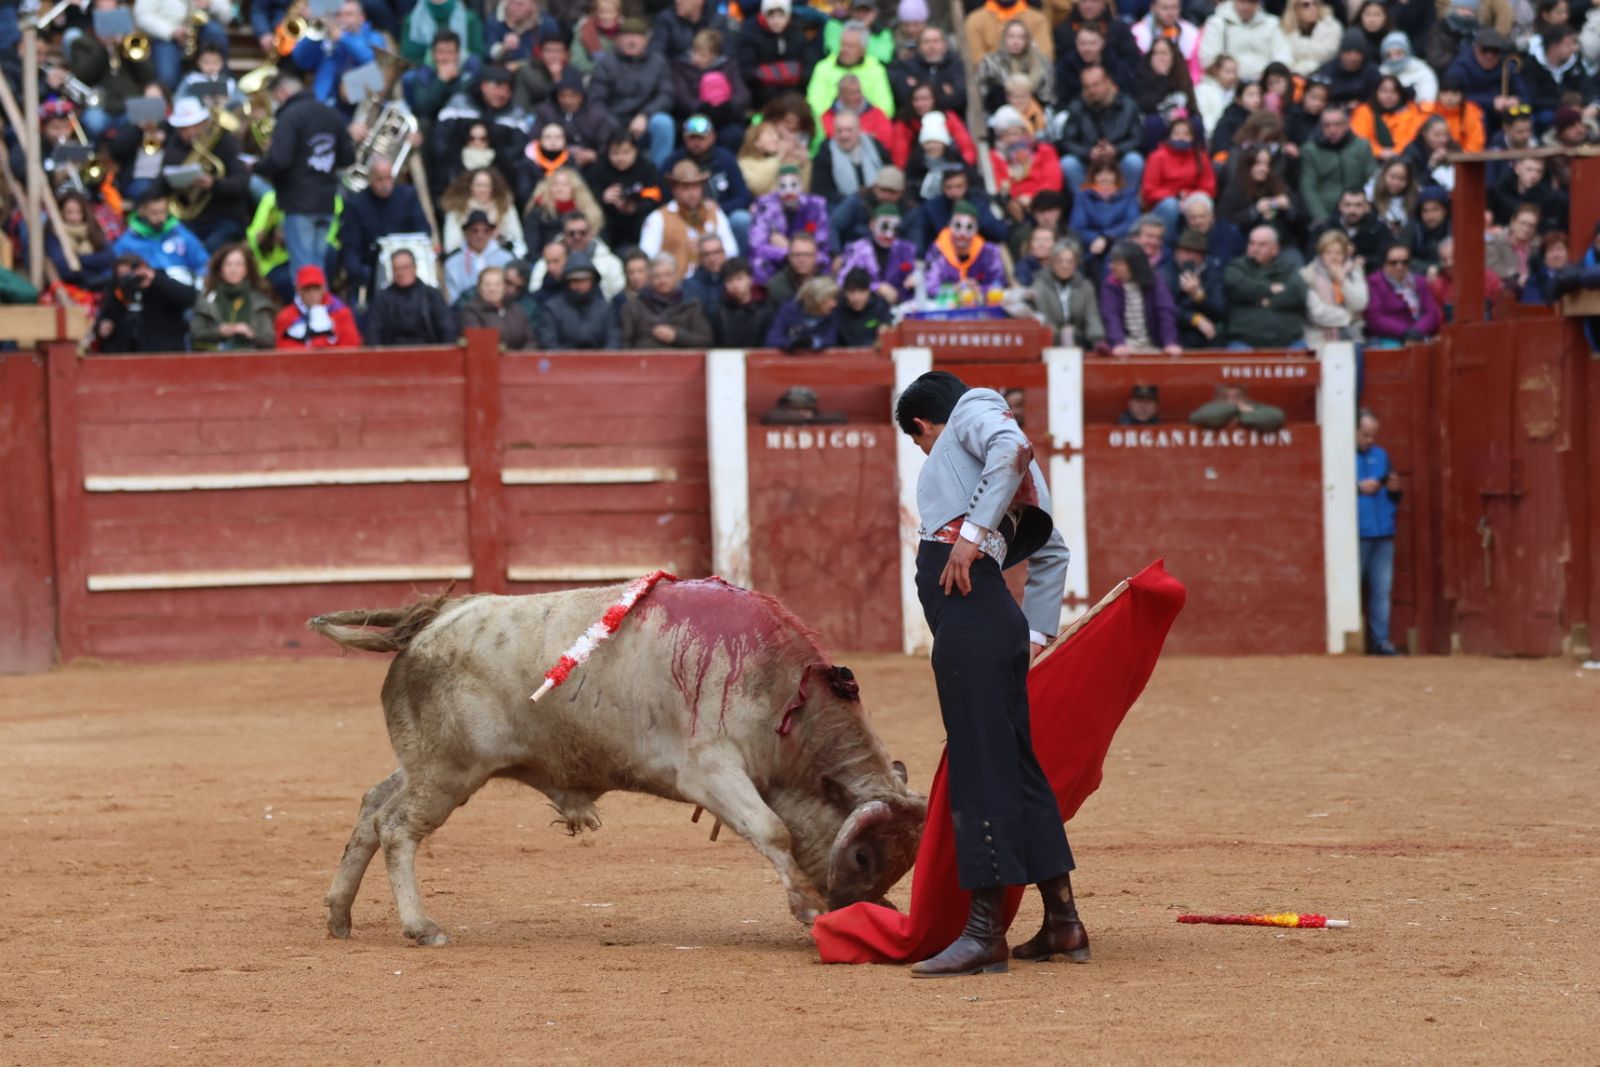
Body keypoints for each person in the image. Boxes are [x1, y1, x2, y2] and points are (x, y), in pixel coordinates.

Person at [892, 370, 1081, 978]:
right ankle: (1061, 920)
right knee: (1020, 769)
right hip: (993, 623)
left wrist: (969, 538)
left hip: (972, 621)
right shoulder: (1014, 476)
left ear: (922, 426)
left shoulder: (976, 411)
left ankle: (983, 933)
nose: (927, 453)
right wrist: (1028, 634)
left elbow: (1010, 447)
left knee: (981, 771)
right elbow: (1053, 551)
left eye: (919, 443)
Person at [253, 71, 356, 281]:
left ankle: (309, 313)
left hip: (298, 203)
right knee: (318, 272)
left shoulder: (289, 116)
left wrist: (257, 166)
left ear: (282, 93)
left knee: (303, 273)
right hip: (325, 201)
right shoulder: (331, 114)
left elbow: (280, 160)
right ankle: (319, 311)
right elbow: (348, 157)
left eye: (274, 99)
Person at [587, 18, 676, 168]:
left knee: (664, 123)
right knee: (597, 121)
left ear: (646, 40)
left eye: (637, 36)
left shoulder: (658, 62)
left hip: (645, 123)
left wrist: (645, 115)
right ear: (618, 40)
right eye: (626, 36)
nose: (631, 41)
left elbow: (666, 95)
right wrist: (616, 127)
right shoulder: (606, 63)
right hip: (613, 123)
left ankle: (658, 175)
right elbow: (596, 100)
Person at [340, 158, 433, 300]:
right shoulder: (356, 204)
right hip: (371, 267)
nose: (385, 184)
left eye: (388, 178)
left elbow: (424, 230)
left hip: (407, 262)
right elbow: (351, 246)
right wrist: (357, 277)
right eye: (379, 179)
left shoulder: (407, 196)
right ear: (370, 178)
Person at [639, 159, 739, 283]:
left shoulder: (714, 211)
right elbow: (648, 258)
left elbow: (731, 251)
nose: (692, 193)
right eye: (685, 188)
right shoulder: (658, 218)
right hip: (676, 289)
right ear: (674, 190)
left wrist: (708, 251)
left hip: (713, 283)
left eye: (695, 187)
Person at [1057, 63, 1144, 193]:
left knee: (1135, 161)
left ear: (1108, 82)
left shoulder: (1128, 105)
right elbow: (1067, 141)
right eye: (1087, 87)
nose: (1092, 91)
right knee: (1067, 163)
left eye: (1096, 85)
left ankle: (1125, 200)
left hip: (1118, 162)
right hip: (1088, 163)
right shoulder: (1076, 107)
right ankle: (1085, 201)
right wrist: (1088, 152)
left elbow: (1138, 138)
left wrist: (1116, 150)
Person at [1356, 409, 1401, 656]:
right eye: (1365, 435)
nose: (1369, 441)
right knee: (1354, 588)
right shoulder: (1342, 457)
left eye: (1372, 435)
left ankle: (1380, 641)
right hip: (1356, 534)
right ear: (1353, 432)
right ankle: (1353, 641)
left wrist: (1395, 490)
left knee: (1381, 590)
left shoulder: (1382, 456)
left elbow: (1393, 494)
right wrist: (1357, 488)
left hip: (1383, 532)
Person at [1223, 225, 1309, 349]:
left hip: (1288, 342)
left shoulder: (1289, 268)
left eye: (1261, 245)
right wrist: (1268, 288)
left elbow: (1297, 293)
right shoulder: (1236, 266)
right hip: (1245, 342)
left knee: (1303, 354)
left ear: (1275, 249)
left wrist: (1270, 302)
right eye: (1252, 243)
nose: (1255, 249)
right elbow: (1236, 286)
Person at [112, 183, 209, 289]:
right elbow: (121, 277)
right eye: (154, 213)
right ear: (141, 211)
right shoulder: (126, 243)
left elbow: (202, 262)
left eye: (163, 212)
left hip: (186, 290)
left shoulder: (179, 232)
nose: (161, 218)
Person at [95, 253, 198, 353]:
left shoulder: (159, 285)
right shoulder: (117, 292)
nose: (128, 280)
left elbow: (189, 297)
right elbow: (106, 316)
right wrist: (104, 325)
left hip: (163, 353)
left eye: (130, 274)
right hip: (128, 355)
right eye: (122, 277)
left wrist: (155, 279)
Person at [749, 165, 832, 286]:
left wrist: (791, 248)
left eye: (794, 185)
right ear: (776, 188)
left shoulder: (815, 206)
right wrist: (787, 253)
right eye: (783, 186)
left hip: (808, 255)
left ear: (802, 185)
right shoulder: (765, 205)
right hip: (776, 257)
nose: (789, 192)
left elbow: (822, 242)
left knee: (824, 260)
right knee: (758, 263)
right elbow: (756, 246)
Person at [190, 242, 278, 351]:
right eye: (228, 264)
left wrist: (250, 333)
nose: (233, 269)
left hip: (252, 361)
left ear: (246, 269)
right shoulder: (207, 299)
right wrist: (218, 332)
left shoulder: (260, 301)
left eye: (239, 264)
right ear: (220, 269)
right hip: (214, 361)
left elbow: (270, 340)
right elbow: (195, 335)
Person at [585, 131, 663, 251]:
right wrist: (602, 196)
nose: (620, 158)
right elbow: (586, 195)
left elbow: (656, 196)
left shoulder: (647, 168)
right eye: (615, 153)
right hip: (608, 219)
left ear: (635, 151)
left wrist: (635, 207)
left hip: (638, 219)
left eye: (626, 153)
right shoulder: (599, 168)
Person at [1099, 241, 1181, 356]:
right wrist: (1119, 343)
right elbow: (1111, 316)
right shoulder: (1110, 285)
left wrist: (1169, 342)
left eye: (1117, 263)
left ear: (1132, 265)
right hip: (1125, 345)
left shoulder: (1155, 282)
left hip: (1154, 344)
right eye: (1111, 262)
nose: (1111, 267)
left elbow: (1165, 312)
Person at [807, 23, 897, 127]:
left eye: (850, 46)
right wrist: (837, 126)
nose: (844, 50)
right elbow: (814, 104)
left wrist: (856, 129)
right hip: (828, 129)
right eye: (843, 44)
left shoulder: (875, 70)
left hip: (866, 131)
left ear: (863, 50)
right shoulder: (823, 67)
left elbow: (885, 109)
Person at [1298, 107, 1378, 223]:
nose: (1332, 129)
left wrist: (1367, 208)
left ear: (1347, 125)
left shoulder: (1362, 146)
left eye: (1337, 124)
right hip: (1326, 211)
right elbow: (1308, 187)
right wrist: (1320, 217)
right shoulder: (1310, 150)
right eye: (1327, 125)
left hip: (1358, 209)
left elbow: (1372, 178)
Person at [618, 253, 714, 348]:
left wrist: (676, 336)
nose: (662, 280)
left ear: (676, 275)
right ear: (650, 278)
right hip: (642, 360)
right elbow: (624, 343)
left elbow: (706, 340)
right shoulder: (633, 307)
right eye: (657, 276)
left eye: (667, 275)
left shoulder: (691, 305)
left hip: (681, 360)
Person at [737, 0, 818, 111]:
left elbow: (809, 65)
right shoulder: (751, 37)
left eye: (781, 16)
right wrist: (786, 72)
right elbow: (747, 72)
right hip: (763, 96)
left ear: (788, 16)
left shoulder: (797, 35)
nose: (776, 21)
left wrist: (795, 76)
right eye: (771, 16)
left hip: (794, 93)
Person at [368, 249, 458, 345]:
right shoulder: (382, 298)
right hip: (391, 353)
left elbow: (447, 327)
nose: (401, 273)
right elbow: (373, 331)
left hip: (427, 352)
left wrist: (445, 355)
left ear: (414, 268)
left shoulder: (431, 295)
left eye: (405, 267)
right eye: (396, 269)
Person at [1031, 238, 1105, 347]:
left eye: (1070, 262)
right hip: (1049, 342)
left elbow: (1092, 317)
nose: (1064, 265)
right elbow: (1043, 318)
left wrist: (1098, 341)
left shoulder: (1085, 286)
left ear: (1076, 264)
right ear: (1052, 263)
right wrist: (1062, 336)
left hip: (1079, 341)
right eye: (1059, 261)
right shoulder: (1040, 286)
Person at [442, 167, 528, 259]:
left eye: (486, 185)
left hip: (499, 257)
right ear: (470, 187)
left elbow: (517, 240)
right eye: (478, 185)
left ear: (493, 188)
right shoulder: (457, 209)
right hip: (466, 258)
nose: (482, 190)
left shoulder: (505, 208)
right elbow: (451, 245)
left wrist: (500, 238)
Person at [537, 250, 617, 347]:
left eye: (584, 280)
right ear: (567, 282)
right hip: (563, 361)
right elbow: (548, 343)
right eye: (575, 280)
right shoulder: (552, 309)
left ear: (593, 281)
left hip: (601, 361)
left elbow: (613, 341)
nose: (580, 285)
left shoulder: (605, 309)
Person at [1199, 0, 1292, 84]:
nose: (1247, 7)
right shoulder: (1217, 23)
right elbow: (1208, 59)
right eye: (1242, 1)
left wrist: (1270, 75)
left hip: (1264, 85)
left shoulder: (1271, 24)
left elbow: (1283, 56)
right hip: (1227, 85)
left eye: (1252, 2)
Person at [1163, 228, 1227, 348]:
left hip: (1207, 335)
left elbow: (1220, 310)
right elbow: (1165, 309)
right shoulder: (1164, 274)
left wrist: (1198, 295)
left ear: (1203, 256)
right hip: (1175, 333)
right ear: (1177, 252)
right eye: (1187, 252)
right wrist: (1195, 319)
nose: (1191, 257)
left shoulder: (1212, 274)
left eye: (1197, 253)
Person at [1365, 244, 1441, 344]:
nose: (1399, 266)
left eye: (1404, 262)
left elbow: (1431, 312)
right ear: (1384, 263)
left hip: (1419, 334)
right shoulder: (1373, 282)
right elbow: (1375, 318)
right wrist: (1405, 332)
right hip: (1388, 336)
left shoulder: (1420, 281)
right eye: (1393, 263)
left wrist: (1417, 331)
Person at [924, 200, 1007, 290]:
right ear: (950, 226)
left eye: (969, 227)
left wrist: (979, 289)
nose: (962, 234)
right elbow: (930, 286)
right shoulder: (937, 251)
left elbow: (999, 283)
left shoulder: (989, 252)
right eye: (958, 226)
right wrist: (955, 288)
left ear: (976, 229)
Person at [276, 265, 363, 348]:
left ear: (324, 289)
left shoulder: (340, 312)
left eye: (316, 288)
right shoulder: (286, 317)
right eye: (307, 289)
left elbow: (352, 344)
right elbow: (283, 348)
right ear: (298, 290)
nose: (312, 294)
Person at [889, 24, 967, 115]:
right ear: (919, 46)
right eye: (926, 42)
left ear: (945, 45)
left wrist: (919, 88)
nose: (931, 46)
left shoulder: (956, 66)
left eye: (936, 41)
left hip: (949, 121)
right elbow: (903, 98)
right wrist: (942, 90)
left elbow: (959, 100)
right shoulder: (907, 67)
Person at [1068, 162, 1139, 262]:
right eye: (1100, 174)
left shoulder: (1128, 196)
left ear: (1116, 176)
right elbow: (1077, 226)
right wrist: (1095, 238)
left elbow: (1132, 222)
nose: (1105, 178)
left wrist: (1107, 238)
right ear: (1094, 177)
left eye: (1109, 173)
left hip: (1119, 242)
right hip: (1091, 245)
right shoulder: (1083, 197)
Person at [442, 210, 517, 302]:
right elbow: (454, 298)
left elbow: (511, 291)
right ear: (466, 233)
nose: (480, 235)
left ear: (491, 233)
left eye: (486, 231)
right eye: (475, 231)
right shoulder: (452, 263)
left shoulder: (507, 258)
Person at [704, 257, 774, 346]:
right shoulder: (716, 312)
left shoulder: (766, 311)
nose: (735, 285)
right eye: (729, 280)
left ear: (750, 279)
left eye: (739, 278)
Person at [461, 266, 534, 347]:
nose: (492, 289)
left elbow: (530, 340)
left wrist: (521, 358)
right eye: (487, 285)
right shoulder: (472, 311)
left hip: (520, 358)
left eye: (497, 284)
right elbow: (478, 343)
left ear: (504, 287)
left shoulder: (516, 309)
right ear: (479, 288)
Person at [766, 275, 842, 352]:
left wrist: (813, 342)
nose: (834, 304)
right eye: (830, 298)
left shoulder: (832, 314)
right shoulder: (789, 310)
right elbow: (773, 339)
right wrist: (791, 343)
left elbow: (831, 339)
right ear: (817, 300)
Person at [1189, 383, 1287, 430]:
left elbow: (1277, 416)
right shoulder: (1211, 407)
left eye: (1238, 396)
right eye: (1225, 397)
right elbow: (1197, 417)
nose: (1231, 401)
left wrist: (1241, 418)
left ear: (1246, 398)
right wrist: (1236, 409)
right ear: (1217, 399)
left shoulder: (1252, 406)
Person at [835, 268, 890, 346]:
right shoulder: (837, 309)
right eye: (851, 291)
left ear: (869, 291)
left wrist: (884, 335)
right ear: (844, 292)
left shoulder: (880, 306)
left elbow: (886, 328)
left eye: (862, 291)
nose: (856, 298)